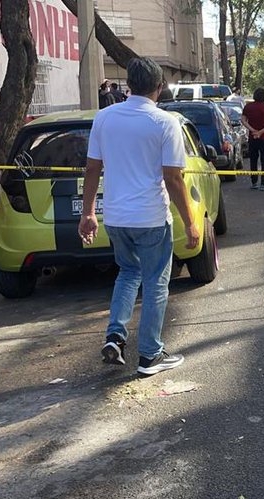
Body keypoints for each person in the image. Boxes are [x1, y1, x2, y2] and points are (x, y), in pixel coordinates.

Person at [78, 57, 198, 376]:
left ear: (129, 84)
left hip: (116, 217)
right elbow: (173, 178)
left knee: (128, 273)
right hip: (151, 219)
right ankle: (150, 355)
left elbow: (92, 168)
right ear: (159, 87)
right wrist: (190, 222)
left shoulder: (104, 118)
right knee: (156, 281)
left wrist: (88, 212)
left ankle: (115, 336)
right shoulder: (164, 122)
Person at [242, 87, 264, 191]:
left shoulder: (248, 107)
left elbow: (243, 120)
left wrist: (253, 130)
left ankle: (254, 182)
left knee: (253, 160)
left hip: (252, 138)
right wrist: (261, 132)